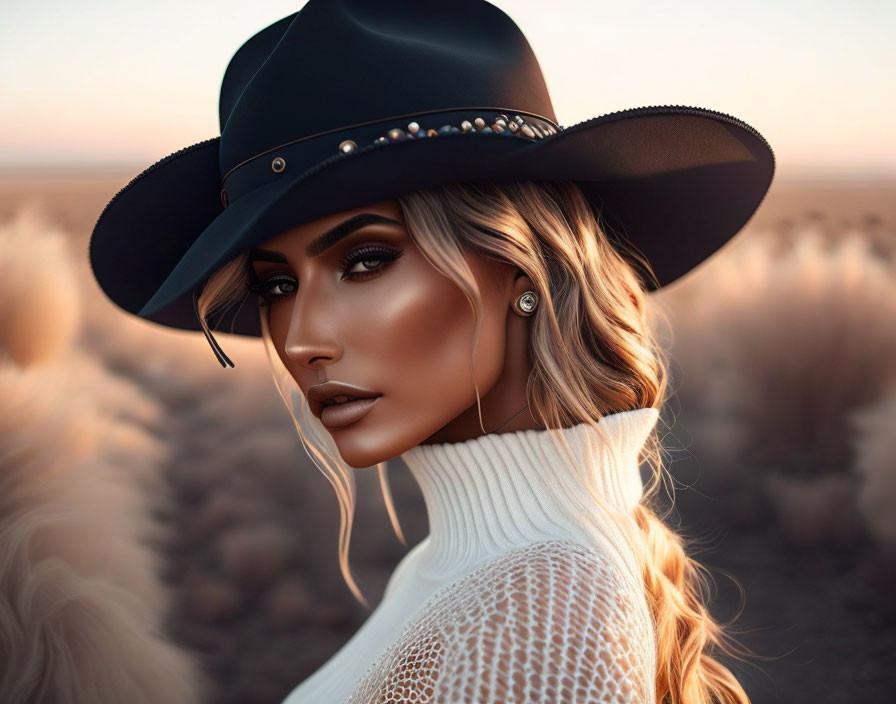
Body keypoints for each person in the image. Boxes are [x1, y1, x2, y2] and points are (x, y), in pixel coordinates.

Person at [88, 1, 775, 702]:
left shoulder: (537, 619)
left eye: (364, 261)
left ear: (520, 268)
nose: (299, 340)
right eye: (278, 284)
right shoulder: (479, 568)